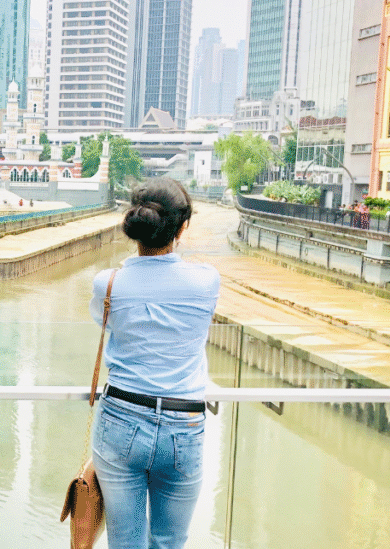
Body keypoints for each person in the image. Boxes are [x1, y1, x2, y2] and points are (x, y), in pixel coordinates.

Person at [88, 178, 220, 549]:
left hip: (122, 419)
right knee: (168, 542)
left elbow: (105, 322)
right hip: (184, 423)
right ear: (182, 227)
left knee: (125, 542)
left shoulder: (108, 283)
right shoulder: (206, 281)